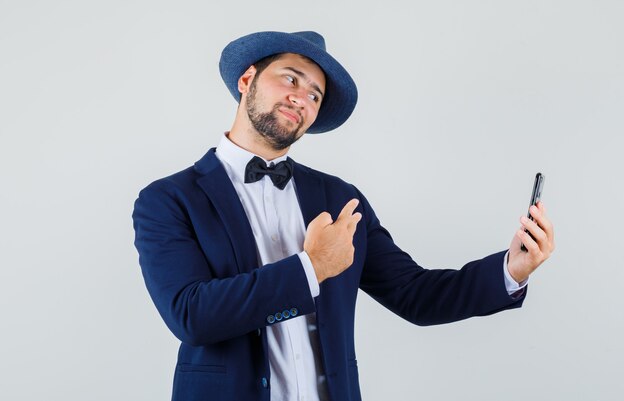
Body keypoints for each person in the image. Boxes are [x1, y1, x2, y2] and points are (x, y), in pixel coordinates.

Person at [132, 31, 555, 401]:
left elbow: (414, 293)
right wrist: (312, 268)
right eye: (290, 78)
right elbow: (193, 316)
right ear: (247, 80)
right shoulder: (168, 199)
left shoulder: (338, 198)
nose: (302, 97)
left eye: (315, 94)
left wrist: (510, 269)